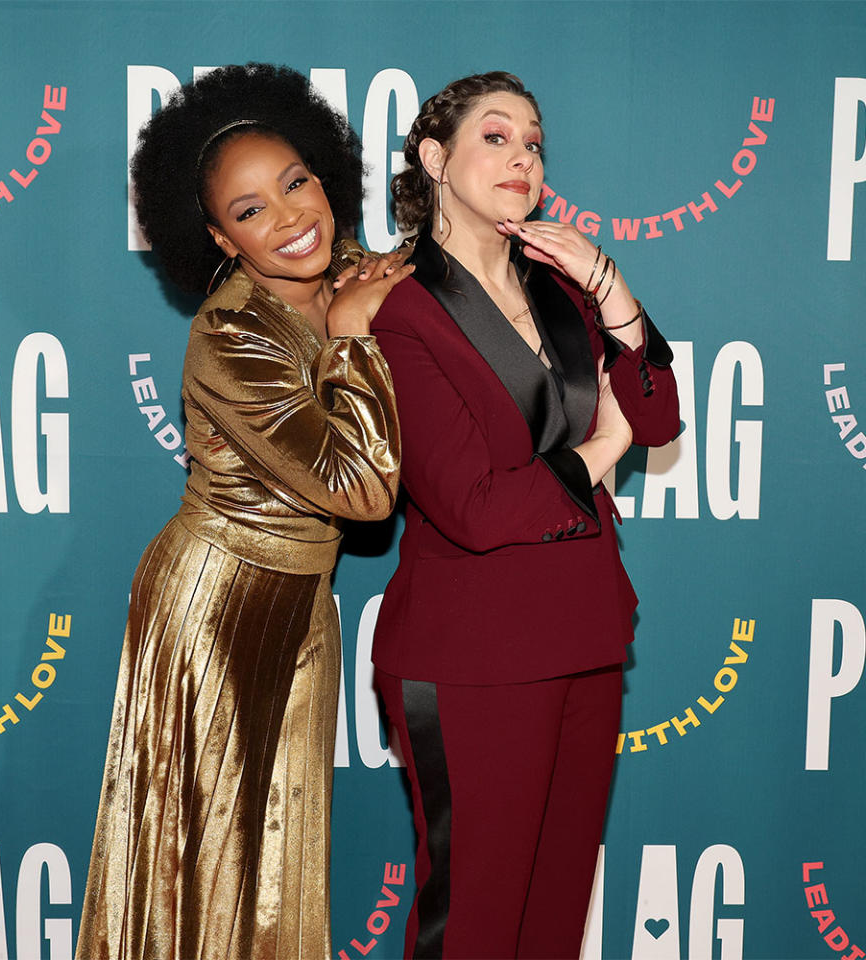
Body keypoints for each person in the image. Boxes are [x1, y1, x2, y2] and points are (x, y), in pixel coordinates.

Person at [76, 63, 411, 960]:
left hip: (301, 600)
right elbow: (363, 489)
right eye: (252, 209)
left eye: (295, 183)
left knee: (278, 865)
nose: (290, 216)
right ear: (219, 237)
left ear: (327, 179)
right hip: (214, 606)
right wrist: (352, 338)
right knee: (209, 864)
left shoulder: (350, 273)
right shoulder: (232, 334)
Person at [369, 72, 680, 959]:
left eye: (535, 142)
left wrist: (610, 286)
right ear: (435, 157)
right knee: (475, 924)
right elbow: (471, 505)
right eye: (496, 136)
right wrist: (597, 451)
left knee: (552, 923)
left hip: (585, 636)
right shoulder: (398, 310)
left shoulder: (564, 289)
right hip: (474, 656)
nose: (523, 157)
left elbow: (657, 420)